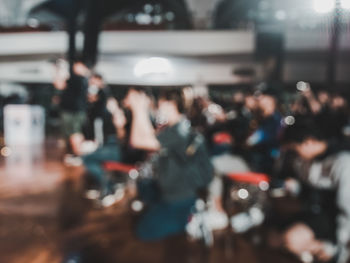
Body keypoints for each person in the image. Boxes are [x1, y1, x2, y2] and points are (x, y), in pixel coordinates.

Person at [124, 88, 213, 241]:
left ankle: (191, 219)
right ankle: (185, 212)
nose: (159, 107)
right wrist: (140, 109)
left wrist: (139, 108)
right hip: (175, 191)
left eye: (162, 103)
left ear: (172, 104)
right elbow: (147, 136)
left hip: (179, 197)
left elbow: (138, 140)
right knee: (145, 187)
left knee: (143, 231)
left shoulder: (177, 131)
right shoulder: (178, 127)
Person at [279, 118, 350, 263]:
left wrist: (336, 249)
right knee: (280, 238)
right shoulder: (307, 160)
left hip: (341, 223)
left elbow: (347, 210)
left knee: (293, 240)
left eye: (294, 148)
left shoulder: (343, 162)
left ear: (309, 142)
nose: (294, 154)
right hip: (323, 215)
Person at [54, 60, 90, 164]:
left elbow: (59, 84)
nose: (75, 66)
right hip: (74, 110)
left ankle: (77, 156)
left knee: (74, 134)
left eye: (78, 64)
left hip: (73, 111)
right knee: (73, 134)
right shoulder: (83, 80)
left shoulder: (78, 78)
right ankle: (76, 155)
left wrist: (59, 70)